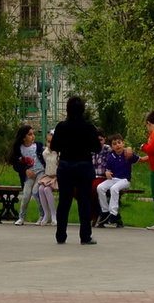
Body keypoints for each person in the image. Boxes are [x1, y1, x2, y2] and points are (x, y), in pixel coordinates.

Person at [48, 96, 102, 245]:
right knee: (84, 201)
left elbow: (54, 146)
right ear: (83, 109)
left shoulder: (61, 126)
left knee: (64, 201)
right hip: (84, 165)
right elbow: (97, 148)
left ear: (67, 109)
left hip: (65, 165)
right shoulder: (89, 127)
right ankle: (85, 236)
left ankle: (60, 235)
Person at [10, 124, 50, 225]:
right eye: (30, 134)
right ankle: (21, 217)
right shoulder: (19, 149)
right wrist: (25, 171)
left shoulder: (38, 146)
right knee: (26, 194)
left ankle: (42, 215)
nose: (33, 136)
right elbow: (16, 165)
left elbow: (45, 158)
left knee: (36, 191)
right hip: (29, 174)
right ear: (23, 137)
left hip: (40, 171)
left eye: (33, 134)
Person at [94, 133, 135, 226]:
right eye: (114, 144)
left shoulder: (127, 154)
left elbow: (139, 159)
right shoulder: (111, 156)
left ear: (123, 143)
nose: (117, 145)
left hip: (124, 180)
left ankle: (113, 213)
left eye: (119, 143)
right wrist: (107, 172)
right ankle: (105, 211)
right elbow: (108, 170)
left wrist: (129, 149)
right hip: (113, 179)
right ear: (111, 147)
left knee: (114, 189)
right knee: (100, 187)